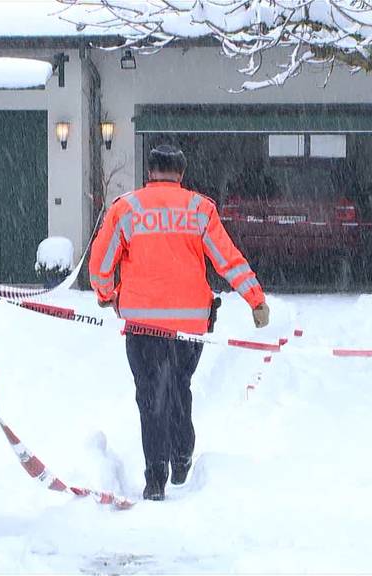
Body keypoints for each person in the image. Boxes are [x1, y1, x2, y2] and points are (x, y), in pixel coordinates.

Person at [88, 144, 270, 501]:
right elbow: (227, 259)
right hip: (190, 324)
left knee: (151, 396)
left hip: (142, 324)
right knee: (178, 386)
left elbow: (101, 263)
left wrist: (107, 294)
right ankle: (182, 452)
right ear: (182, 175)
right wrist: (255, 299)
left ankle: (156, 478)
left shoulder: (127, 208)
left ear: (149, 172)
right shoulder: (199, 209)